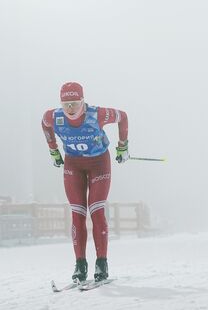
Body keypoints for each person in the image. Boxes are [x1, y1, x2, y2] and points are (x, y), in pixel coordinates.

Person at [41, 81, 129, 283]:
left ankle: (101, 263)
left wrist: (123, 146)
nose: (70, 109)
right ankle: (80, 265)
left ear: (83, 101)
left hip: (99, 162)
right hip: (73, 165)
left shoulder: (97, 114)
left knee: (96, 210)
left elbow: (122, 116)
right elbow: (44, 124)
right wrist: (53, 149)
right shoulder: (54, 117)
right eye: (66, 104)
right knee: (77, 212)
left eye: (75, 103)